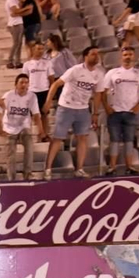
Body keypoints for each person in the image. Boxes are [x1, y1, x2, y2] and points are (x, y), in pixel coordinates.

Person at [45, 47, 106, 179]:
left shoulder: (99, 74)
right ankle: (48, 169)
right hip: (66, 107)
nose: (96, 56)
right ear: (85, 56)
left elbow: (98, 94)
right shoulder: (75, 70)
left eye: (98, 54)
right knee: (58, 138)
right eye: (93, 54)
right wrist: (48, 102)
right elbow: (56, 84)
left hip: (83, 109)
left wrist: (95, 113)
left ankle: (79, 169)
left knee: (82, 138)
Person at [99, 48, 139, 176]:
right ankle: (112, 167)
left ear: (134, 56)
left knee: (129, 140)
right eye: (125, 55)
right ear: (121, 57)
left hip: (131, 112)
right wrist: (107, 107)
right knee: (114, 140)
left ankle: (129, 166)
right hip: (115, 112)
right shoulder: (112, 72)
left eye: (130, 54)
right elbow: (103, 92)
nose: (128, 57)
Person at [0, 73, 43, 182]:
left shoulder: (32, 96)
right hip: (9, 127)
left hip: (24, 126)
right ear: (15, 84)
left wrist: (41, 131)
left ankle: (28, 174)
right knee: (11, 153)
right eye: (21, 82)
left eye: (26, 83)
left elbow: (36, 115)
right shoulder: (8, 96)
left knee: (29, 147)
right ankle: (12, 178)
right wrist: (0, 129)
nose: (24, 85)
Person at [5, 0, 32, 68]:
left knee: (19, 43)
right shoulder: (11, 0)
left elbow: (17, 12)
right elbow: (15, 11)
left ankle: (17, 61)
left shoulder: (17, 0)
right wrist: (26, 8)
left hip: (19, 22)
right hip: (14, 24)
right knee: (16, 43)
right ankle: (10, 60)